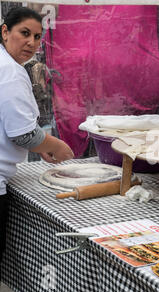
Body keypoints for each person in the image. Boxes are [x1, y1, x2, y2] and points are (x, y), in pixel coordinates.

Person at [0, 7, 74, 271]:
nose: (31, 42)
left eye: (37, 36)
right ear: (5, 31)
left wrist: (40, 144)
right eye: (24, 33)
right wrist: (57, 146)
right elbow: (22, 134)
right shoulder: (10, 71)